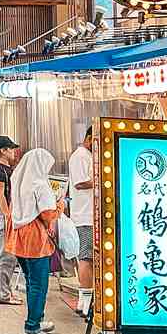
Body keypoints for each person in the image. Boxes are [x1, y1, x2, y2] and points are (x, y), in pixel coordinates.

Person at [9, 147, 59, 334]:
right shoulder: (40, 185)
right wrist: (61, 205)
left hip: (19, 236)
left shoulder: (19, 180)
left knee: (30, 281)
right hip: (36, 238)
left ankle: (37, 318)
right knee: (39, 284)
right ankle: (32, 327)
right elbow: (48, 215)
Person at [0, 135, 22, 304]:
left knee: (9, 257)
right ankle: (3, 294)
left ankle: (6, 291)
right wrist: (8, 216)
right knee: (4, 256)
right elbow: (0, 194)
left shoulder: (6, 168)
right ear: (3, 151)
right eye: (10, 149)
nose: (13, 152)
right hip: (3, 217)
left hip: (7, 216)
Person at [68, 125, 95, 318]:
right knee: (85, 258)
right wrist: (103, 178)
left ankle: (86, 300)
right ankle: (85, 302)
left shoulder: (88, 156)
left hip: (90, 215)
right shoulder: (80, 156)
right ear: (89, 137)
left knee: (89, 259)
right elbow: (79, 182)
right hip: (84, 216)